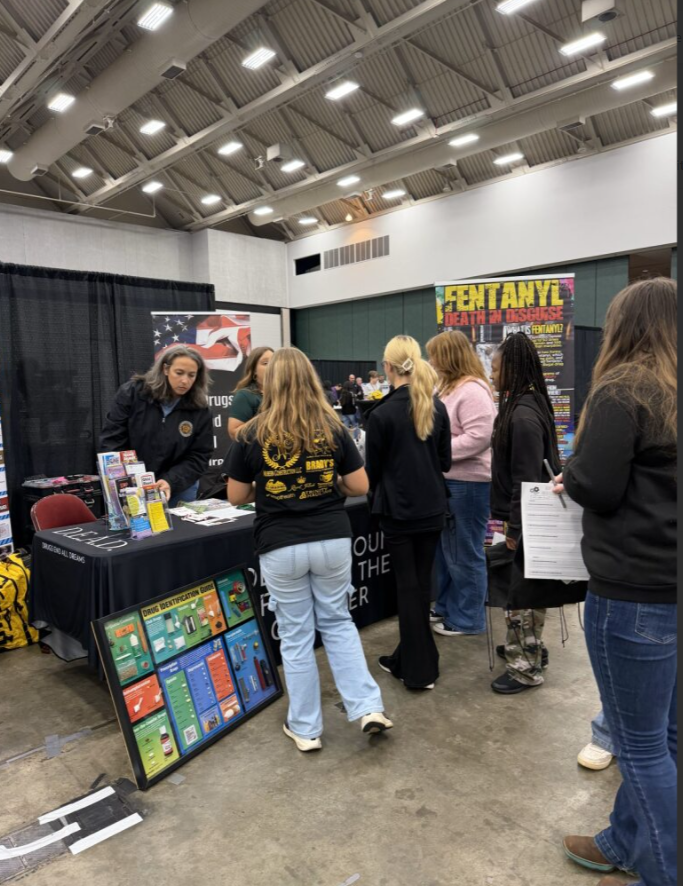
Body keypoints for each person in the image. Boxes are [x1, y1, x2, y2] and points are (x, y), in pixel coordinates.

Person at [559, 279, 677, 886]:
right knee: (667, 738)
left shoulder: (623, 388)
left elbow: (599, 486)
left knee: (640, 746)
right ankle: (627, 842)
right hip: (670, 588)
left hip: (634, 591)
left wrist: (571, 474)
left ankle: (662, 868)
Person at [226, 347, 392, 752]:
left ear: (271, 383)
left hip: (280, 543)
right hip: (331, 537)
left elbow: (234, 496)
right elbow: (359, 486)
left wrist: (271, 483)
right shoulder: (333, 427)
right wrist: (325, 484)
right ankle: (368, 707)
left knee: (297, 637)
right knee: (338, 623)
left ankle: (305, 728)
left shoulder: (251, 433)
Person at [365, 335, 451, 690]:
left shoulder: (381, 415)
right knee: (418, 586)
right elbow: (444, 462)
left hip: (399, 512)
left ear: (387, 367)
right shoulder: (437, 408)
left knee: (409, 588)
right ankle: (411, 658)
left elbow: (371, 473)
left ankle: (419, 671)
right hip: (432, 509)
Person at [489, 332, 559, 694]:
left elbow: (525, 481)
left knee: (522, 594)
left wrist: (515, 529)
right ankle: (527, 647)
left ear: (513, 369)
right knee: (525, 590)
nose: (493, 375)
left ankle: (525, 667)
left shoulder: (523, 416)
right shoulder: (525, 406)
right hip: (526, 518)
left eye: (497, 369)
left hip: (529, 521)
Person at [426, 331, 496, 637]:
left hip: (468, 484)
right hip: (451, 482)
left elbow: (480, 436)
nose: (431, 361)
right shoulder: (449, 388)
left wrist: (439, 453)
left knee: (464, 554)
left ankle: (468, 618)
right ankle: (447, 607)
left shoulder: (472, 391)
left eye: (434, 355)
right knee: (448, 553)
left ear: (448, 356)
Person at [100, 345, 213, 506]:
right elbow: (112, 441)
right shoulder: (133, 393)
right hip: (132, 486)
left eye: (191, 375)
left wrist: (170, 481)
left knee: (181, 530)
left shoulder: (200, 408)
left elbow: (199, 456)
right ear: (166, 369)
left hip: (177, 487)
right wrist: (130, 480)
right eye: (179, 373)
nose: (185, 381)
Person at [227, 346, 273, 440]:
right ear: (254, 370)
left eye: (274, 363)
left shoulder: (285, 394)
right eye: (265, 363)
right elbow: (234, 433)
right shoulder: (245, 395)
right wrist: (266, 417)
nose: (271, 366)